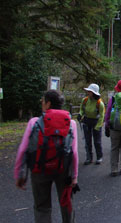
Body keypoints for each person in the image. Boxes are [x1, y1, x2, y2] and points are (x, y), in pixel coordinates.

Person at [14, 90, 78, 223]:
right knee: (66, 202)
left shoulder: (34, 122)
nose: (42, 103)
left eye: (43, 101)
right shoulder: (71, 123)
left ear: (48, 103)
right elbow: (74, 152)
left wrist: (19, 174)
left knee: (42, 207)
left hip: (39, 170)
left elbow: (23, 150)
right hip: (63, 170)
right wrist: (74, 176)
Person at [78, 83, 105, 165]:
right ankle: (89, 158)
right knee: (87, 141)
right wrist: (80, 114)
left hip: (96, 122)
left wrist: (98, 126)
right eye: (88, 91)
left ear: (94, 93)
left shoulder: (99, 103)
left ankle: (99, 157)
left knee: (97, 142)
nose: (88, 93)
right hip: (86, 121)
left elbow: (102, 116)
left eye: (89, 91)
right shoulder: (85, 100)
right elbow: (82, 109)